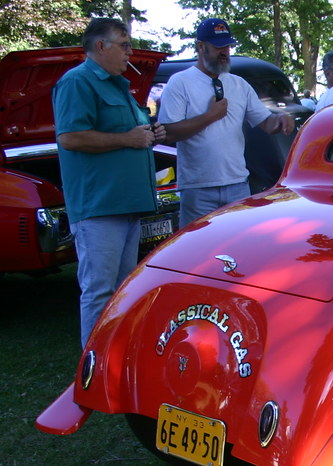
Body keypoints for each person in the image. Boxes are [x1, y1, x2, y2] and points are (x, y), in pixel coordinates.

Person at [53, 18, 166, 347]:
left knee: (121, 292)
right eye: (124, 45)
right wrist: (128, 139)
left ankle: (114, 360)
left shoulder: (118, 85)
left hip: (127, 205)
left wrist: (150, 132)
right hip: (100, 207)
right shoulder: (77, 82)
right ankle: (92, 367)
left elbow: (129, 132)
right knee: (100, 291)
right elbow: (71, 137)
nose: (130, 52)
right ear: (100, 46)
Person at [158, 18, 295, 226]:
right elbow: (169, 133)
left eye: (228, 47)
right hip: (198, 188)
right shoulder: (180, 83)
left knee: (238, 244)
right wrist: (209, 116)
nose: (224, 52)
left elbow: (266, 122)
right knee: (199, 245)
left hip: (238, 185)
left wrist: (281, 120)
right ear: (201, 46)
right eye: (218, 47)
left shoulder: (239, 84)